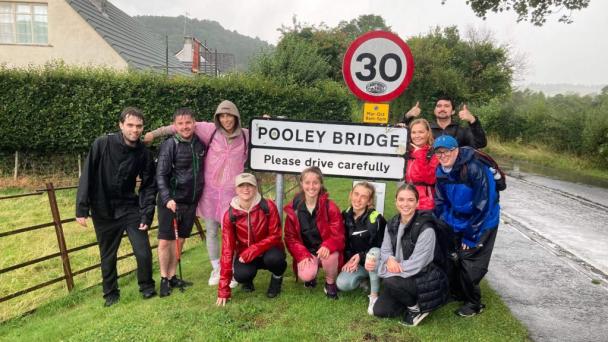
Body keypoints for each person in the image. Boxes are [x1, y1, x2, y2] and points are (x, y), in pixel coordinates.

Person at [145, 100, 246, 287]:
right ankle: (216, 268)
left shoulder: (245, 135)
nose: (226, 119)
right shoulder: (210, 130)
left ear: (236, 116)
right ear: (217, 117)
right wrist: (153, 134)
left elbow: (264, 133)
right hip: (209, 193)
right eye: (222, 115)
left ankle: (230, 269)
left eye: (229, 115)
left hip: (232, 194)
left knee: (231, 232)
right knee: (211, 232)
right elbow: (176, 126)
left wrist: (266, 122)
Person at [75, 107, 157, 306]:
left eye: (139, 126)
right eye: (130, 125)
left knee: (143, 251)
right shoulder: (102, 144)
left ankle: (147, 287)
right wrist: (81, 208)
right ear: (121, 125)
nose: (134, 130)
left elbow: (148, 186)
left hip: (129, 207)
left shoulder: (143, 153)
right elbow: (87, 175)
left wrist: (146, 215)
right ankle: (111, 294)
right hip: (103, 209)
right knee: (108, 255)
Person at [433, 135, 500, 317]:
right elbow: (440, 201)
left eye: (446, 151)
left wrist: (471, 236)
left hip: (482, 222)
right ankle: (458, 293)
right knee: (453, 259)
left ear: (456, 150)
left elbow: (483, 205)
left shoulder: (474, 168)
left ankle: (474, 303)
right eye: (438, 152)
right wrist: (445, 223)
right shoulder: (441, 171)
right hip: (457, 220)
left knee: (470, 262)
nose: (442, 156)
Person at [369, 184, 449, 327]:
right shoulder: (392, 223)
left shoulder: (426, 228)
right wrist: (389, 259)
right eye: (401, 199)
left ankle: (416, 308)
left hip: (422, 277)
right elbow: (385, 249)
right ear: (396, 201)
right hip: (398, 273)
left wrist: (381, 268)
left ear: (417, 203)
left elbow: (417, 264)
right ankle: (405, 299)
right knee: (380, 310)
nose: (405, 204)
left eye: (410, 200)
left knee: (390, 281)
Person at [215, 173, 287, 306]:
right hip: (245, 255)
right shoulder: (229, 215)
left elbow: (276, 235)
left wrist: (253, 250)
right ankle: (247, 281)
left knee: (276, 260)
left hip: (268, 251)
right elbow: (227, 250)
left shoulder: (268, 206)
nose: (246, 189)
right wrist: (223, 289)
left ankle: (277, 279)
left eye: (250, 185)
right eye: (241, 186)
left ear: (256, 188)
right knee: (241, 275)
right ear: (236, 189)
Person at [155, 108, 205, 297]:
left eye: (188, 123)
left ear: (194, 123)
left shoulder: (200, 144)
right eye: (180, 123)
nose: (185, 127)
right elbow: (160, 174)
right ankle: (164, 278)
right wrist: (167, 198)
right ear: (175, 126)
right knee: (165, 241)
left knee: (181, 239)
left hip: (190, 202)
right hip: (171, 202)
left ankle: (173, 275)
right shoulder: (170, 145)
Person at [284, 167, 345, 299]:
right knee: (306, 275)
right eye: (307, 182)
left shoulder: (330, 207)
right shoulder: (294, 208)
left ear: (321, 184)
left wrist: (328, 245)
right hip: (307, 251)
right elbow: (290, 238)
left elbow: (339, 236)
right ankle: (311, 275)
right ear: (301, 184)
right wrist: (302, 254)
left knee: (331, 255)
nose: (311, 186)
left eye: (315, 182)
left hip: (324, 251)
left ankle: (330, 283)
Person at [336, 182, 386, 314]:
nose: (358, 199)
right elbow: (343, 242)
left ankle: (374, 295)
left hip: (375, 261)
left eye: (363, 197)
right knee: (342, 284)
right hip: (357, 263)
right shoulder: (344, 215)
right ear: (351, 194)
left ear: (369, 201)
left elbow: (383, 247)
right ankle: (365, 281)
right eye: (356, 194)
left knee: (373, 253)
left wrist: (362, 256)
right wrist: (348, 260)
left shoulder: (375, 219)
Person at [401, 96, 487, 149]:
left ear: (453, 111)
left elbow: (481, 143)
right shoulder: (425, 129)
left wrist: (473, 121)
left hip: (454, 176)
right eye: (439, 106)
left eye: (446, 106)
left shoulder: (462, 131)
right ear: (434, 111)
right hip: (429, 175)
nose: (442, 109)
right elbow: (400, 138)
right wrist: (408, 117)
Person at [405, 118, 439, 210]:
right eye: (414, 132)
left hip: (426, 201)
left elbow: (430, 178)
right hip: (408, 198)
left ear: (428, 133)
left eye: (421, 132)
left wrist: (419, 153)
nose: (417, 136)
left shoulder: (433, 153)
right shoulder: (408, 152)